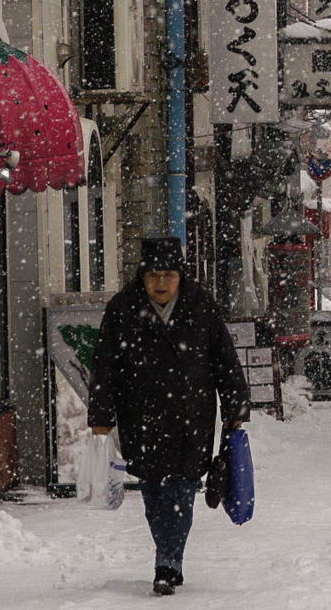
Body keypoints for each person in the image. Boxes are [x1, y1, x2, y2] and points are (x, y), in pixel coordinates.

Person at [88, 236, 250, 596]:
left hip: (190, 415)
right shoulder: (122, 308)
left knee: (181, 490)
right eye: (154, 275)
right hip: (140, 416)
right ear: (142, 277)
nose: (161, 283)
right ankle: (169, 553)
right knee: (153, 494)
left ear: (181, 276)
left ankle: (167, 560)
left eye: (169, 275)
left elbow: (224, 357)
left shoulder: (200, 304)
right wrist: (101, 416)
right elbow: (105, 367)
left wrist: (235, 405)